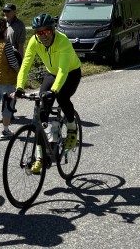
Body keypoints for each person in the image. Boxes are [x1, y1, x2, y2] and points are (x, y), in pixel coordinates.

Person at [14, 13, 82, 174]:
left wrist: (54, 91)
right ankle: (40, 158)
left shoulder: (62, 40)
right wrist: (19, 87)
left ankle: (72, 129)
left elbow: (63, 70)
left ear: (52, 30)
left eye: (46, 31)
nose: (43, 35)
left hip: (71, 72)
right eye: (39, 32)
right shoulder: (34, 41)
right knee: (40, 115)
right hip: (51, 73)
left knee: (62, 96)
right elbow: (25, 65)